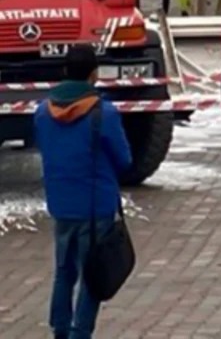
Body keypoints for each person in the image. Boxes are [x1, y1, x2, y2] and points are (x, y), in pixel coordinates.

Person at [33, 46, 133, 339]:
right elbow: (124, 160)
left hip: (61, 204)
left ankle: (60, 330)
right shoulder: (104, 112)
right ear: (94, 74)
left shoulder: (42, 112)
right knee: (92, 275)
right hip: (95, 206)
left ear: (64, 72)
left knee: (64, 272)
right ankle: (81, 333)